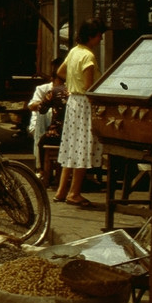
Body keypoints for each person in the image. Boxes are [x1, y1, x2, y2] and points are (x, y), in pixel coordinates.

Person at [54, 19, 105, 208]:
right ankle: (74, 193)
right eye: (99, 35)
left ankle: (61, 191)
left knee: (72, 146)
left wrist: (71, 83)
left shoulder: (74, 51)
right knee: (83, 147)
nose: (100, 38)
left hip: (73, 102)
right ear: (92, 35)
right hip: (85, 103)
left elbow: (60, 71)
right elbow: (89, 86)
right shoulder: (89, 57)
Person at [27, 59, 67, 187]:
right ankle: (40, 168)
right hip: (45, 127)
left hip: (59, 130)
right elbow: (36, 108)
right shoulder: (49, 91)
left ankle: (45, 170)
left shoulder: (61, 92)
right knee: (42, 117)